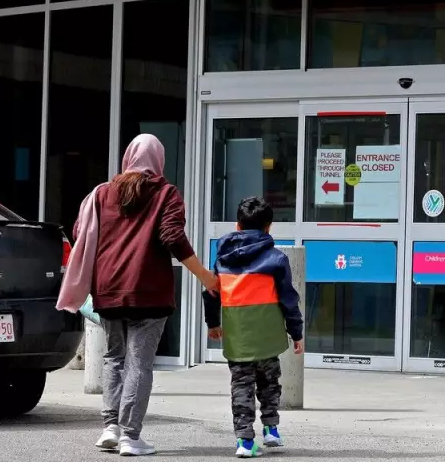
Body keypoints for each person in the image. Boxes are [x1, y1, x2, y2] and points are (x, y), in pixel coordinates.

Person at [57, 134, 217, 457]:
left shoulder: (102, 194)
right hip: (149, 293)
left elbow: (79, 231)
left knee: (115, 357)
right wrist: (205, 276)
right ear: (158, 160)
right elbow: (173, 237)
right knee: (139, 364)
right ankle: (131, 436)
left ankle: (110, 428)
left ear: (128, 157)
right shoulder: (164, 193)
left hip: (109, 291)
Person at [203, 196, 304, 458]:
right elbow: (289, 300)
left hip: (238, 339)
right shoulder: (277, 259)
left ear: (237, 226)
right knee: (270, 383)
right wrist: (297, 333)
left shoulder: (222, 260)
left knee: (241, 387)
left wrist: (213, 323)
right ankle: (271, 429)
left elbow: (211, 293)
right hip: (268, 338)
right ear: (269, 227)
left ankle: (245, 442)